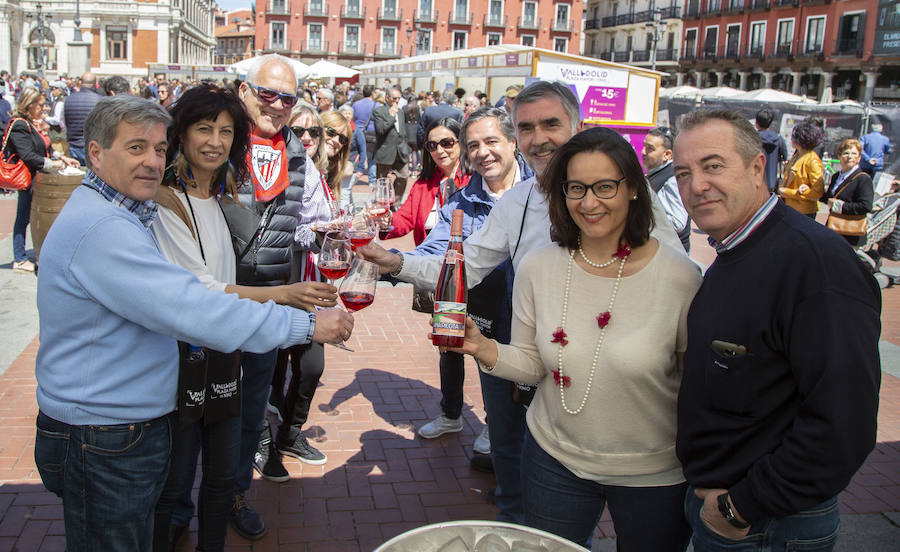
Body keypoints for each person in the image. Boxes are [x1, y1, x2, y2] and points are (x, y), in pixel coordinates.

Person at [33, 95, 352, 552]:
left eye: (159, 150)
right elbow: (194, 306)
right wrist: (304, 325)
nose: (151, 161)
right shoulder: (105, 227)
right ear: (96, 153)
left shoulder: (119, 212)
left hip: (115, 426)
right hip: (103, 435)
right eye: (136, 148)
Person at [357, 81, 683, 524]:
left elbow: (681, 280)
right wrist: (392, 261)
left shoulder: (627, 191)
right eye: (527, 126)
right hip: (530, 366)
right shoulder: (519, 202)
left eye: (551, 123)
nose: (538, 137)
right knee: (525, 483)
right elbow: (465, 265)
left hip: (623, 392)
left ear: (578, 125)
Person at [448, 126, 699, 549]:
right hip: (554, 461)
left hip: (653, 474)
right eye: (576, 188)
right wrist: (484, 348)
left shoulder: (680, 278)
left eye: (605, 186)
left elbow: (698, 388)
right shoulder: (538, 268)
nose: (589, 202)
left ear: (634, 189)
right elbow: (532, 362)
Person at [673, 109, 880, 551]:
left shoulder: (816, 266)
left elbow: (843, 424)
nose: (696, 186)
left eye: (712, 166)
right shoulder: (739, 249)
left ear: (756, 167)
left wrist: (741, 507)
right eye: (683, 173)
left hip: (766, 522)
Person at [231, 53, 313, 540]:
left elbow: (295, 223)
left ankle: (236, 493)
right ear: (244, 91)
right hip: (216, 293)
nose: (278, 105)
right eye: (268, 93)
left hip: (269, 298)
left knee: (251, 406)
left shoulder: (297, 153)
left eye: (288, 97)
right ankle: (177, 502)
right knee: (190, 404)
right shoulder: (220, 143)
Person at [267, 103, 335, 473]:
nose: (307, 138)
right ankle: (271, 439)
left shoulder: (315, 169)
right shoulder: (284, 167)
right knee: (277, 362)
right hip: (283, 281)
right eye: (299, 130)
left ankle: (289, 434)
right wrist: (321, 234)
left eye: (315, 132)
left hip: (310, 280)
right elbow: (274, 230)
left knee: (309, 365)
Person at [6, 88, 79, 273]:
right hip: (27, 178)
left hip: (37, 177)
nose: (43, 108)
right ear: (29, 105)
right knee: (23, 217)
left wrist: (62, 158)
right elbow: (29, 155)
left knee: (29, 216)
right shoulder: (20, 125)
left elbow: (43, 148)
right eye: (40, 105)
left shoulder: (32, 123)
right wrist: (52, 164)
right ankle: (20, 258)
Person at [642, 126, 691, 252]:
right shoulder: (655, 174)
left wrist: (638, 214)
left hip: (672, 255)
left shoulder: (672, 179)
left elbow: (677, 223)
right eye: (644, 146)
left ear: (667, 154)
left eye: (650, 149)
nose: (643, 152)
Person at [821, 138, 874, 247]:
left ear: (859, 158)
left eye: (854, 154)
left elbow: (866, 206)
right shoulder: (836, 176)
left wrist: (840, 206)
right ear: (839, 156)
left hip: (850, 233)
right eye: (846, 153)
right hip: (834, 227)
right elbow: (829, 198)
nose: (850, 157)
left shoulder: (863, 179)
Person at [778, 119, 825, 218]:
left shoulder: (812, 160)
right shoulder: (797, 155)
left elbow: (817, 192)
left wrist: (788, 192)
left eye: (793, 136)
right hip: (790, 207)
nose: (791, 139)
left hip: (803, 211)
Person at [373, 86, 411, 207]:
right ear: (387, 98)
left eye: (399, 98)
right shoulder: (379, 111)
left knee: (404, 176)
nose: (397, 101)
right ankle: (382, 204)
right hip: (385, 151)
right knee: (382, 180)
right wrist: (391, 116)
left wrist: (406, 147)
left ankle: (396, 203)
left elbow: (403, 131)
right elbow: (380, 130)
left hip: (401, 150)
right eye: (394, 98)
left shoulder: (401, 111)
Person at [63, 71, 101, 164]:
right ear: (95, 84)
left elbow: (65, 123)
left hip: (74, 146)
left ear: (80, 82)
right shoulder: (101, 101)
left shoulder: (68, 99)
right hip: (94, 147)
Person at [321, 110, 352, 200]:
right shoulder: (302, 165)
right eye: (331, 132)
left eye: (342, 139)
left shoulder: (330, 173)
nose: (336, 140)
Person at [755, 109, 786, 191]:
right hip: (772, 183)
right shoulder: (779, 139)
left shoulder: (753, 139)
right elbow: (785, 158)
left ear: (756, 123)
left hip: (755, 181)